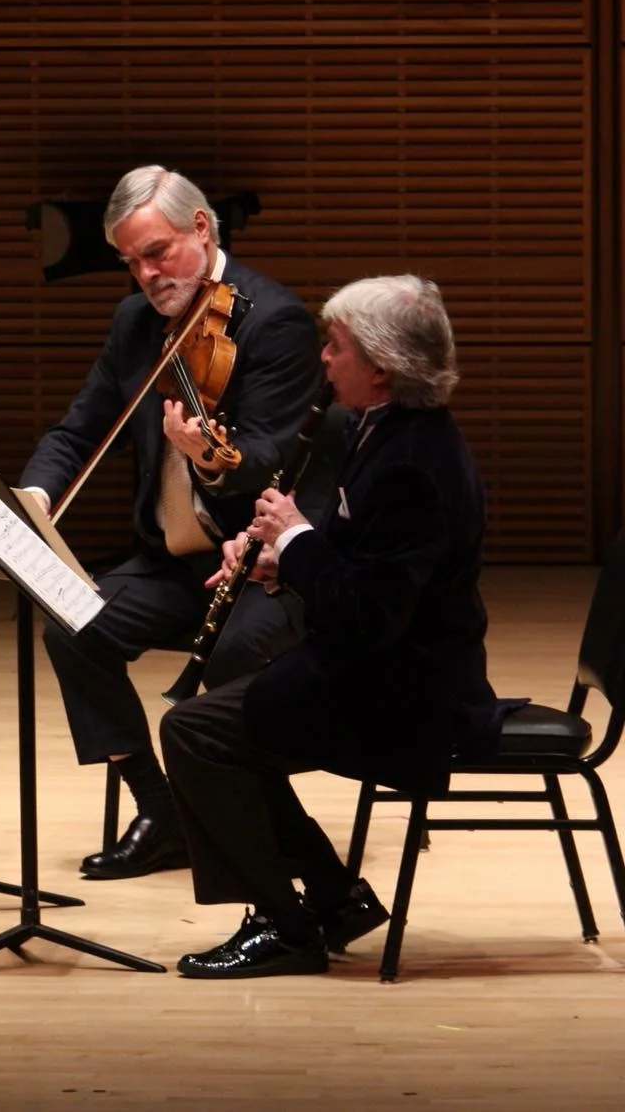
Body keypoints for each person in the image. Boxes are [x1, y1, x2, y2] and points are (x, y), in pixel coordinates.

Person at [163, 275, 507, 977]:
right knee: (213, 727)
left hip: (408, 693)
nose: (324, 358)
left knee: (198, 733)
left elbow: (370, 614)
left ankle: (288, 925)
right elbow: (366, 566)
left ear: (380, 367)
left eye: (336, 345)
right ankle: (332, 897)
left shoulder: (412, 460)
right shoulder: (392, 431)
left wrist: (294, 540)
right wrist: (277, 564)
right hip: (384, 667)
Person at [19, 165, 325, 878]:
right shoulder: (137, 322)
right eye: (130, 261)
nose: (147, 274)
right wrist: (35, 497)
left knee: (228, 661)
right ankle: (161, 810)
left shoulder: (272, 321)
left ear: (201, 227)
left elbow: (274, 460)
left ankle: (244, 819)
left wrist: (215, 461)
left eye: (157, 253)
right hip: (172, 563)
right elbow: (79, 427)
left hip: (260, 571)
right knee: (71, 627)